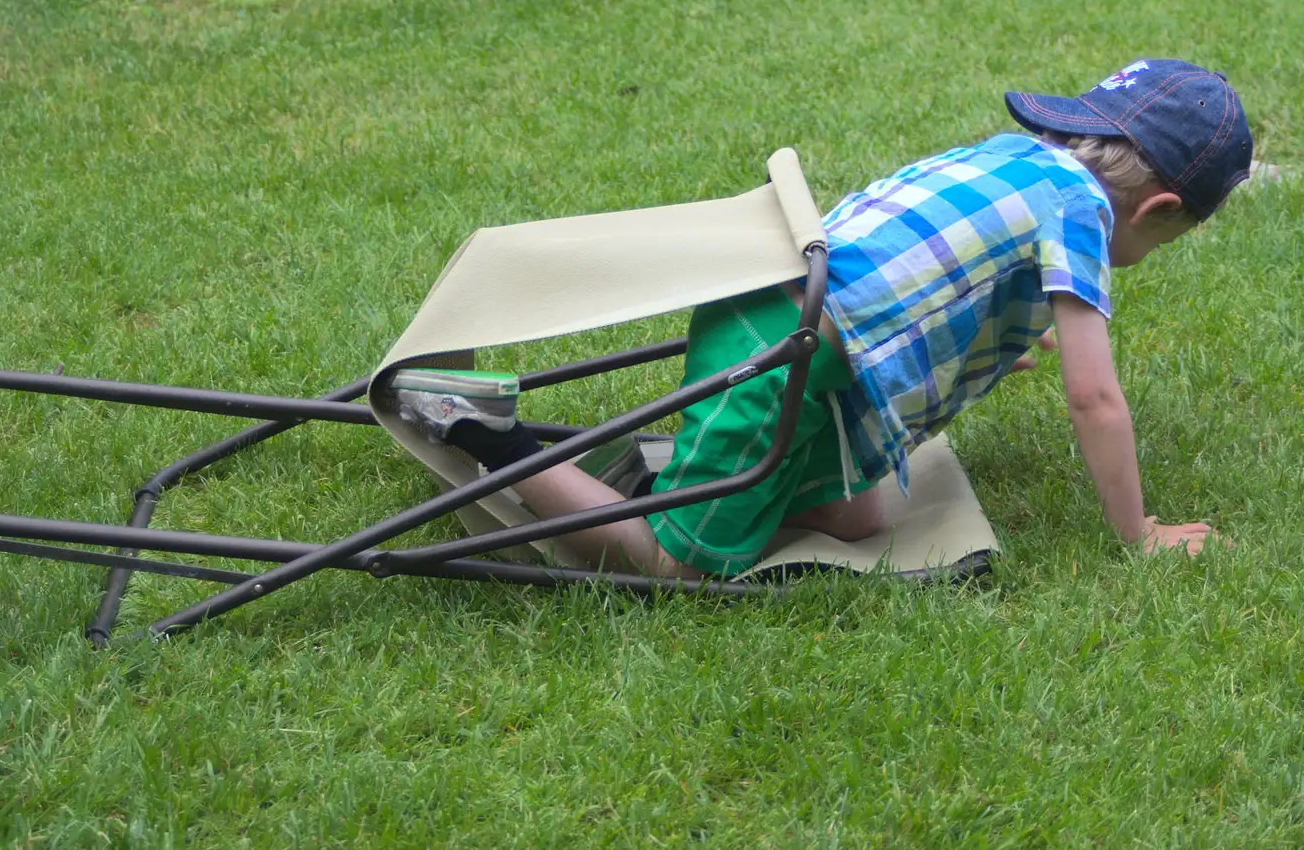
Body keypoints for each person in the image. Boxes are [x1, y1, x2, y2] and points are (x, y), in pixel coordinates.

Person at [390, 59, 1252, 578]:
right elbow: (1095, 400)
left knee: (859, 519)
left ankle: (686, 487)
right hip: (782, 354)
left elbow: (935, 265)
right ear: (1159, 209)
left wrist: (980, 350)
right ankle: (481, 431)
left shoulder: (1022, 160)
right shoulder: (1087, 217)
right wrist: (1139, 533)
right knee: (679, 566)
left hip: (792, 306)